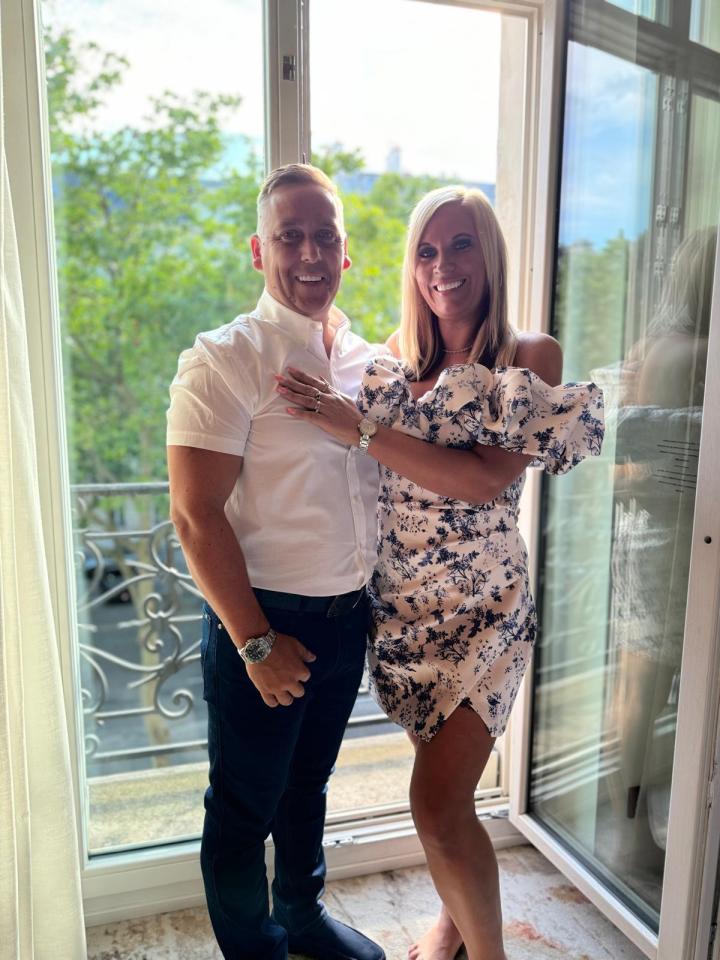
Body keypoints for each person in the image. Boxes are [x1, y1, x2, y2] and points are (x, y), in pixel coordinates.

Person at [277, 184, 604, 960]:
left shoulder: (527, 356)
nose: (441, 266)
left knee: (434, 802)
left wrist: (356, 429)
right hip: (403, 615)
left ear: (487, 255)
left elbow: (485, 479)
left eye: (460, 246)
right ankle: (452, 928)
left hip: (486, 612)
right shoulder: (390, 360)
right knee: (447, 797)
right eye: (426, 250)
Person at [166, 163, 387, 960]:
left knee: (307, 789)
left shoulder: (370, 361)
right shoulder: (224, 358)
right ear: (260, 251)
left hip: (345, 618)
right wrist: (256, 643)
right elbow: (194, 515)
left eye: (324, 235)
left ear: (346, 251)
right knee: (243, 808)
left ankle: (301, 919)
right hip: (261, 619)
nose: (309, 253)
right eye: (289, 236)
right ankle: (254, 949)